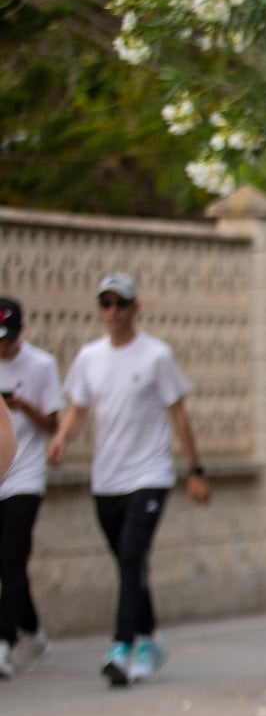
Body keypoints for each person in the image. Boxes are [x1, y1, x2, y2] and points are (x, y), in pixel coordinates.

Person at [45, 273, 211, 685]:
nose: (113, 312)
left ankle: (121, 647)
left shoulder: (156, 356)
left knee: (133, 557)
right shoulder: (89, 358)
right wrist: (62, 439)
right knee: (128, 564)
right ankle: (151, 637)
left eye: (121, 303)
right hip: (107, 479)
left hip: (150, 474)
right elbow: (78, 407)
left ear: (136, 307)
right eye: (106, 304)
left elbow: (179, 414)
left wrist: (194, 470)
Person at [0, 298, 61, 679]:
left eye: (6, 340)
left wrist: (22, 406)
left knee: (11, 559)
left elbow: (54, 423)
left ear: (21, 331)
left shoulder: (41, 366)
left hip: (25, 477)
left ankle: (4, 643)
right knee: (7, 564)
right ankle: (34, 632)